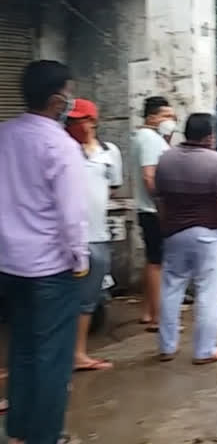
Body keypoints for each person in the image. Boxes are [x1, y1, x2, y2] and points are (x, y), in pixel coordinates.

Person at [0, 60, 87, 444]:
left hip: (8, 264)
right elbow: (72, 215)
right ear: (57, 100)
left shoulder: (5, 135)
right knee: (53, 355)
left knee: (21, 347)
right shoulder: (61, 145)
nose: (71, 100)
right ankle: (46, 436)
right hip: (52, 267)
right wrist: (80, 260)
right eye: (68, 93)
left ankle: (18, 429)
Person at [155, 113, 217, 364]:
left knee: (171, 290)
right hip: (208, 235)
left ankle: (167, 347)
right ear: (210, 135)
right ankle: (205, 350)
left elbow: (160, 200)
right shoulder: (216, 161)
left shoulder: (165, 159)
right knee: (209, 294)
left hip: (174, 233)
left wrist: (166, 227)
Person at [65, 99, 123, 372]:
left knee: (87, 300)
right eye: (71, 120)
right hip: (65, 237)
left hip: (97, 235)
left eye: (80, 119)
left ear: (92, 121)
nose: (74, 125)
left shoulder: (109, 152)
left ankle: (78, 353)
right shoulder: (63, 150)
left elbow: (113, 188)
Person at [131, 96, 177, 332]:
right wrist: (162, 205)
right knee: (159, 264)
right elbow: (150, 176)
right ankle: (160, 317)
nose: (171, 121)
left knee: (153, 261)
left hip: (148, 208)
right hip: (153, 209)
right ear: (151, 117)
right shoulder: (149, 139)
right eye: (166, 116)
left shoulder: (147, 137)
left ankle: (149, 312)